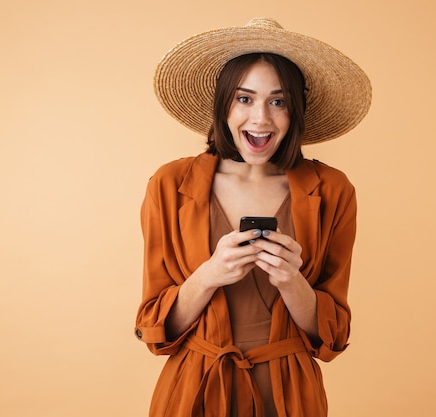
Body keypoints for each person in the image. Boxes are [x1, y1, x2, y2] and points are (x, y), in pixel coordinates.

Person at [135, 17, 372, 417]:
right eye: (244, 99)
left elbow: (332, 338)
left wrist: (292, 281)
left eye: (277, 101)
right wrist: (210, 273)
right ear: (223, 105)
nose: (261, 118)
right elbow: (155, 329)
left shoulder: (332, 191)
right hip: (194, 390)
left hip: (290, 395)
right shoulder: (170, 184)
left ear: (294, 111)